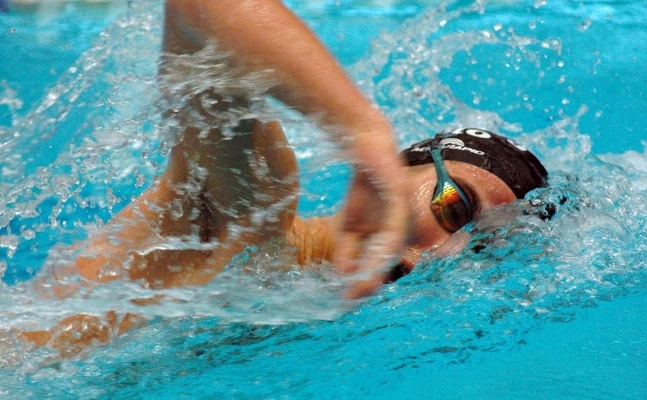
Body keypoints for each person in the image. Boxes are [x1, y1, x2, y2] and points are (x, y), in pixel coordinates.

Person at [15, 0, 548, 356]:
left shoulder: (310, 316)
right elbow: (197, 8)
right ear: (406, 170)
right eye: (455, 209)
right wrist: (363, 132)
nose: (450, 252)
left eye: (483, 254)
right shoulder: (251, 208)